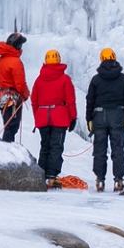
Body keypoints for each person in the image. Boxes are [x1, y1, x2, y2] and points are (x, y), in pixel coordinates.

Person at [85, 46, 124, 193]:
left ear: (101, 59)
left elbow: (90, 100)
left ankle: (100, 180)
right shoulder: (123, 78)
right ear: (114, 58)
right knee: (117, 148)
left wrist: (89, 119)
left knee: (100, 149)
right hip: (117, 115)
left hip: (99, 116)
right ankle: (118, 180)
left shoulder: (96, 79)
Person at [30, 48, 78, 182]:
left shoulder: (39, 80)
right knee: (56, 146)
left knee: (45, 145)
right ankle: (51, 174)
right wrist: (73, 117)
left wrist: (37, 117)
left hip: (42, 117)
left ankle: (41, 173)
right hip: (60, 117)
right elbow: (70, 101)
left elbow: (34, 101)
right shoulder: (65, 79)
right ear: (58, 60)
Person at [0, 31, 29, 142]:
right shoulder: (16, 62)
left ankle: (7, 147)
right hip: (13, 98)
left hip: (2, 96)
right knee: (12, 126)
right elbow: (20, 84)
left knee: (8, 125)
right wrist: (25, 94)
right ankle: (7, 149)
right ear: (16, 46)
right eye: (20, 45)